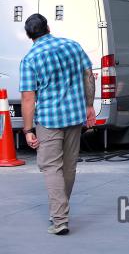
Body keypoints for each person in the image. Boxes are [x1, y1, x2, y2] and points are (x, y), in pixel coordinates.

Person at [19, 14, 96, 235]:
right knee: (69, 166)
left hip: (49, 120)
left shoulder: (30, 59)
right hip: (74, 116)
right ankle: (59, 211)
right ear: (48, 27)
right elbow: (88, 76)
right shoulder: (72, 46)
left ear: (29, 35)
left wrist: (28, 130)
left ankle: (60, 219)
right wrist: (89, 105)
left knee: (51, 167)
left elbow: (28, 98)